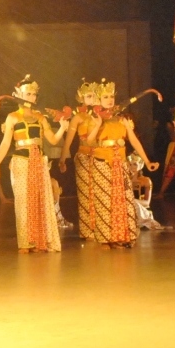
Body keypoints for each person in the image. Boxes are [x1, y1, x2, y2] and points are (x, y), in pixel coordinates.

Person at [0, 75, 69, 253]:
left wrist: (63, 128)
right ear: (19, 95)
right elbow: (5, 143)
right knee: (23, 202)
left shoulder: (40, 118)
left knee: (40, 200)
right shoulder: (12, 117)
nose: (31, 97)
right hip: (20, 162)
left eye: (34, 94)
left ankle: (41, 239)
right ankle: (26, 242)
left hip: (39, 162)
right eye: (28, 94)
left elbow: (53, 140)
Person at [86, 79, 159, 248]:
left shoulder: (121, 119)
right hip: (102, 162)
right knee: (105, 201)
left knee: (123, 200)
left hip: (120, 163)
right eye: (105, 97)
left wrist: (147, 161)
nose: (110, 100)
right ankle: (106, 239)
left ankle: (122, 236)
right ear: (98, 100)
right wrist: (97, 126)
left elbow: (133, 141)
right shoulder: (94, 119)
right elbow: (89, 142)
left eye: (111, 96)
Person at [60, 80, 100, 240]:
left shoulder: (101, 115)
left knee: (100, 193)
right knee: (85, 193)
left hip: (100, 155)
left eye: (94, 95)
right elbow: (68, 140)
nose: (91, 98)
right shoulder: (78, 117)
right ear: (81, 98)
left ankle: (102, 227)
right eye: (88, 96)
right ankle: (87, 230)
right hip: (83, 155)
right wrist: (63, 159)